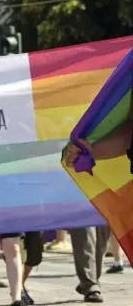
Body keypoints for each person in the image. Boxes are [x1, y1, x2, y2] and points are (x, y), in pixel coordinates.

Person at [64, 101, 132, 303]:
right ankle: (90, 281)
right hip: (89, 180)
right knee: (85, 229)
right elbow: (130, 132)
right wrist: (90, 152)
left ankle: (92, 280)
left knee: (100, 231)